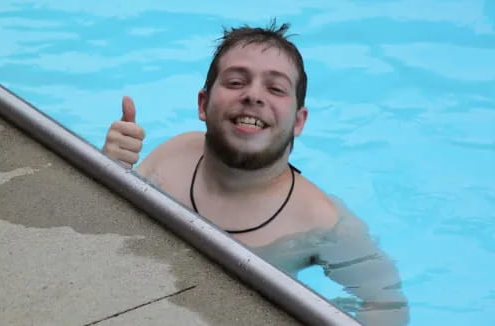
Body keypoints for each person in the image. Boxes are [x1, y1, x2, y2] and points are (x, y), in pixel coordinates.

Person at [103, 21, 409, 326]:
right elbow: (109, 235)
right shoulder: (172, 157)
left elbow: (385, 303)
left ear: (299, 122)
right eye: (236, 82)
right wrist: (111, 168)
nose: (253, 96)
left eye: (275, 88)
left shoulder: (321, 223)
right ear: (203, 103)